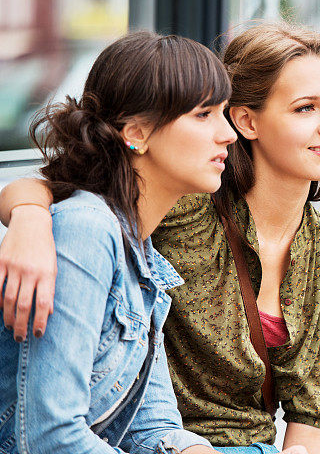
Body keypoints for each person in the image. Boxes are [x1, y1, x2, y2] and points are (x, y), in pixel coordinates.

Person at [0, 22, 320, 454]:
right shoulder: (178, 205)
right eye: (306, 108)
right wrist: (30, 220)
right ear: (248, 120)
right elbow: (64, 186)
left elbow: (313, 426)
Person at [0, 31, 239, 453]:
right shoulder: (87, 231)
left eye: (223, 112)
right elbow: (47, 436)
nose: (228, 134)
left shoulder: (141, 253)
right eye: (204, 114)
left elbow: (151, 427)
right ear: (137, 133)